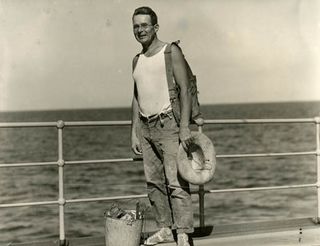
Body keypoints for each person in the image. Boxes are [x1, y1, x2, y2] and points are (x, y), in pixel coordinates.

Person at [130, 6, 194, 246]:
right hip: (145, 128)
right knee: (154, 183)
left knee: (176, 182)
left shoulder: (170, 51)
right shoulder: (136, 60)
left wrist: (185, 126)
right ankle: (165, 229)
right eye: (136, 26)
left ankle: (184, 234)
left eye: (144, 25)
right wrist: (134, 132)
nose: (140, 30)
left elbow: (185, 90)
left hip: (169, 124)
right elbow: (136, 97)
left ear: (155, 27)